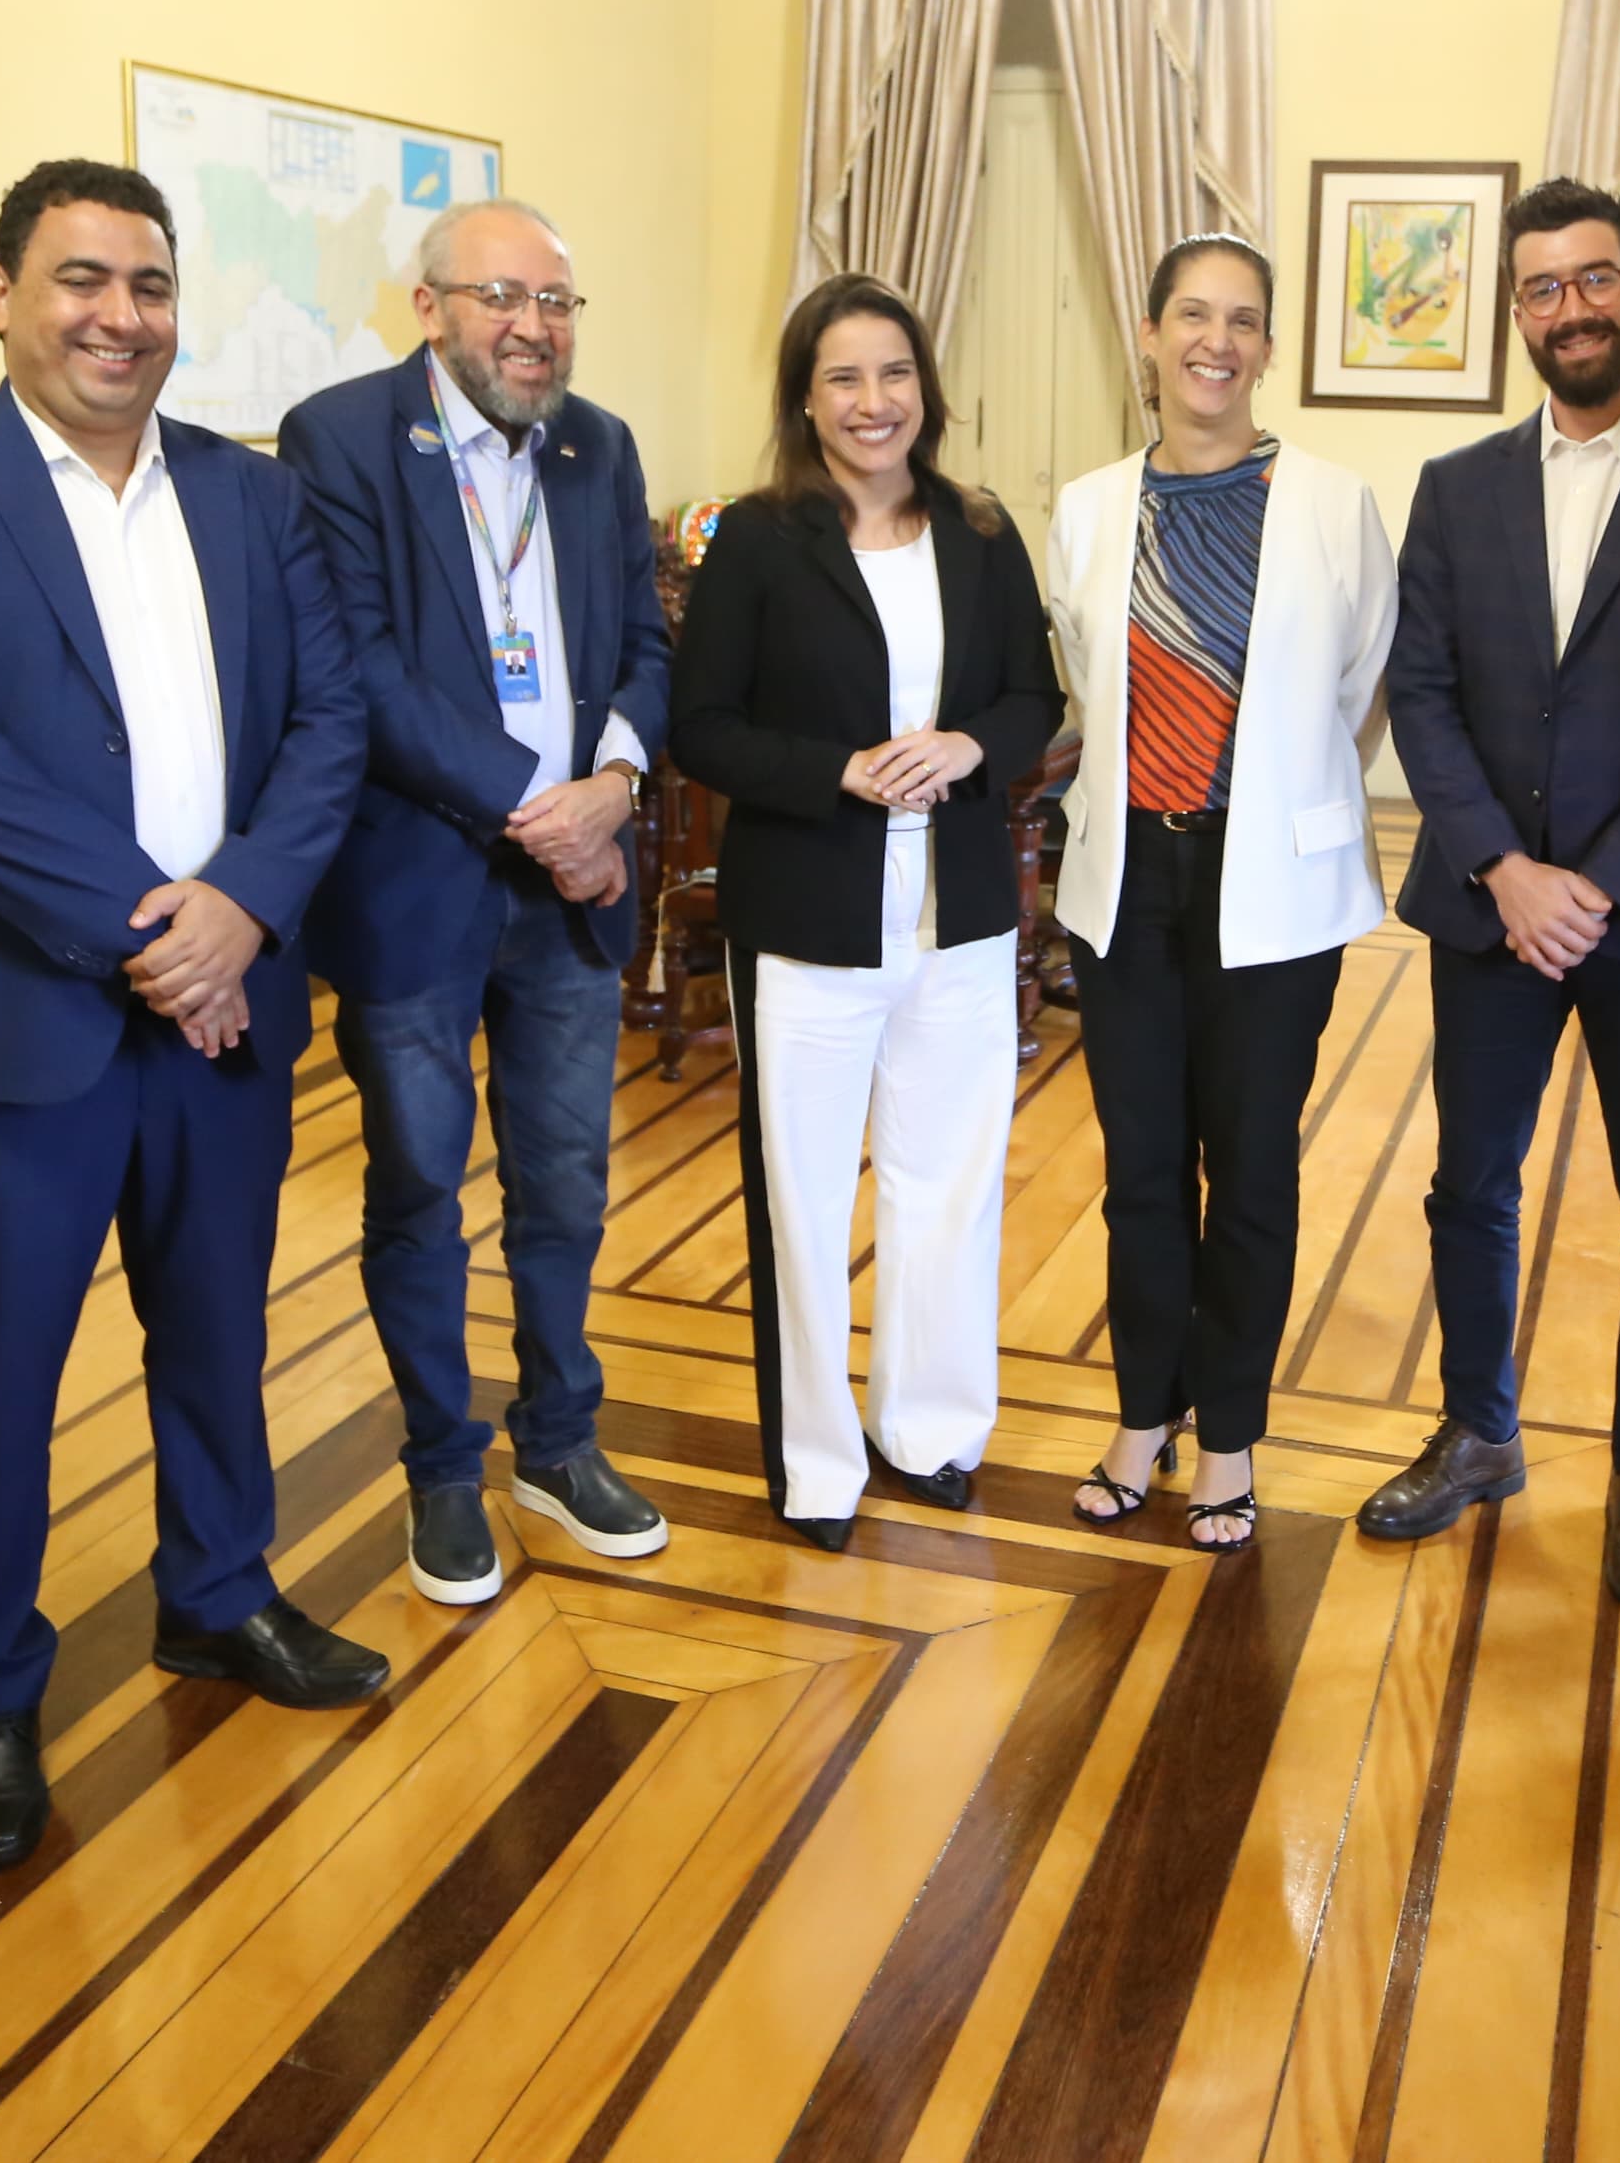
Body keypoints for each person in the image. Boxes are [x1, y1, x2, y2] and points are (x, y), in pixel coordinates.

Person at [0, 158, 380, 1876]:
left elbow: (331, 722)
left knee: (217, 1334)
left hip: (223, 1016)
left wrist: (244, 913)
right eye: (78, 279)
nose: (117, 316)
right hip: (2, 1031)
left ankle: (218, 1594)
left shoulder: (253, 493)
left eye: (146, 284)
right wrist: (160, 930)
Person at [1361, 178, 1620, 1615]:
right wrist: (1503, 868)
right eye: (1543, 288)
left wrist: (1591, 888)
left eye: (1594, 279)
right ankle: (1481, 1428)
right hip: (1487, 905)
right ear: (1518, 315)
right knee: (1467, 1185)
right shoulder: (1456, 488)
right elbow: (1419, 691)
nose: (1572, 307)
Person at [279, 198, 676, 1604]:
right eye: (501, 297)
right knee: (420, 1191)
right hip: (420, 886)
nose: (532, 326)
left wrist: (614, 786)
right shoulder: (338, 439)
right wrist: (540, 803)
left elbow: (640, 639)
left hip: (573, 890)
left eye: (558, 301)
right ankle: (444, 1468)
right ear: (428, 307)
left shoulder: (598, 445)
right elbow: (363, 671)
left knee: (565, 1183)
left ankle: (558, 1442)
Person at [672, 274, 1062, 1551]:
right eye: (842, 377)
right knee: (797, 1198)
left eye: (891, 373)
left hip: (957, 918)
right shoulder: (756, 543)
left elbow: (1031, 699)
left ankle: (931, 1431)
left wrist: (964, 745)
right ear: (804, 398)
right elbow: (703, 729)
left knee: (945, 1183)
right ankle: (817, 1464)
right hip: (807, 921)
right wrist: (835, 768)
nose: (872, 401)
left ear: (923, 389)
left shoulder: (982, 531)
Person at [1045, 234, 1397, 1552]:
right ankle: (1145, 1412)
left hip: (1276, 891)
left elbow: (1364, 682)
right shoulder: (1084, 507)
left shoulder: (1332, 501)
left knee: (1248, 1170)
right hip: (1126, 877)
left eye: (1244, 319)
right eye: (1193, 313)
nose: (1217, 339)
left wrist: (1282, 797)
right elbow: (1087, 679)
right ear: (1148, 334)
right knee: (1142, 1169)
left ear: (1265, 346)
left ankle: (1232, 1434)